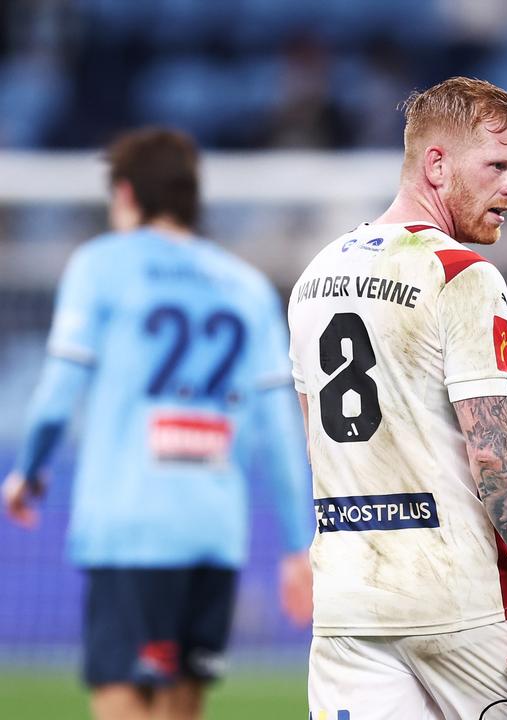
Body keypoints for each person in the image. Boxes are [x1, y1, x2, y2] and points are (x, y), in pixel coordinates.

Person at [2, 128, 314, 720]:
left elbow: (55, 397)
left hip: (131, 526)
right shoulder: (244, 286)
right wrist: (298, 547)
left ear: (125, 193)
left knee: (123, 700)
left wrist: (28, 472)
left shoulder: (101, 265)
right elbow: (278, 430)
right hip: (213, 532)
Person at [287, 77, 507, 720]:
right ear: (437, 165)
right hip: (461, 600)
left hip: (350, 605)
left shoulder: (313, 278)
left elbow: (316, 443)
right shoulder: (460, 274)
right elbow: (492, 447)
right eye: (498, 166)